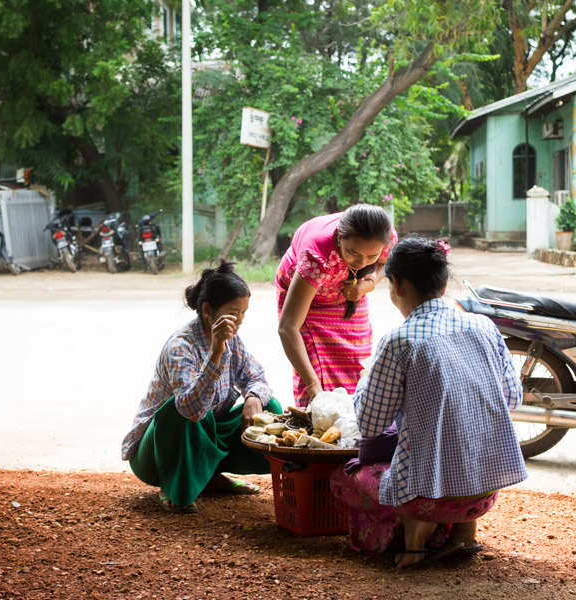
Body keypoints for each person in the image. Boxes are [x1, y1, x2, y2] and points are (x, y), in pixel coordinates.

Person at [330, 237, 528, 569]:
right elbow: (512, 398)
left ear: (397, 284)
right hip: (485, 493)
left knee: (344, 476)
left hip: (429, 500)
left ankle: (415, 541)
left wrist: (365, 381)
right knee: (447, 452)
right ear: (443, 282)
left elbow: (371, 424)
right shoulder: (483, 325)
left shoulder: (399, 341)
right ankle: (463, 534)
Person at [122, 260, 282, 514]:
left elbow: (258, 377)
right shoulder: (180, 347)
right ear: (207, 309)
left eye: (244, 312)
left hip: (200, 438)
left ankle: (209, 478)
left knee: (269, 407)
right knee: (184, 411)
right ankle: (172, 485)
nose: (240, 320)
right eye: (233, 311)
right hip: (155, 455)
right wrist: (216, 353)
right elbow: (190, 410)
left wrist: (253, 397)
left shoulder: (234, 340)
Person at [276, 204, 397, 407]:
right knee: (314, 371)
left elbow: (386, 263)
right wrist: (313, 386)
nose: (361, 263)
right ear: (339, 237)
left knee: (355, 361)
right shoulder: (315, 255)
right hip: (308, 300)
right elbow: (288, 328)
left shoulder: (385, 237)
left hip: (350, 291)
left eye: (371, 257)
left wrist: (368, 284)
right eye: (353, 253)